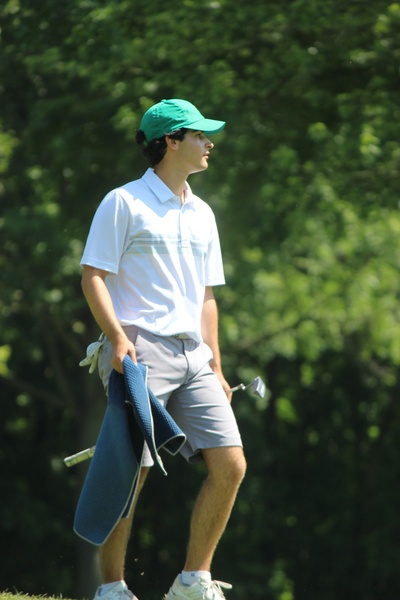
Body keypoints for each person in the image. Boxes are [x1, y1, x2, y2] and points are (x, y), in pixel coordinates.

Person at [80, 98, 246, 600]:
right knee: (130, 473)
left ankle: (193, 581)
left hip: (195, 356)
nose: (209, 143)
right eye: (199, 135)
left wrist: (217, 365)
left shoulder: (203, 213)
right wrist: (117, 338)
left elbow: (207, 296)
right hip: (140, 352)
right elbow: (93, 276)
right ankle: (112, 589)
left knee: (231, 464)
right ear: (171, 141)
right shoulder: (123, 202)